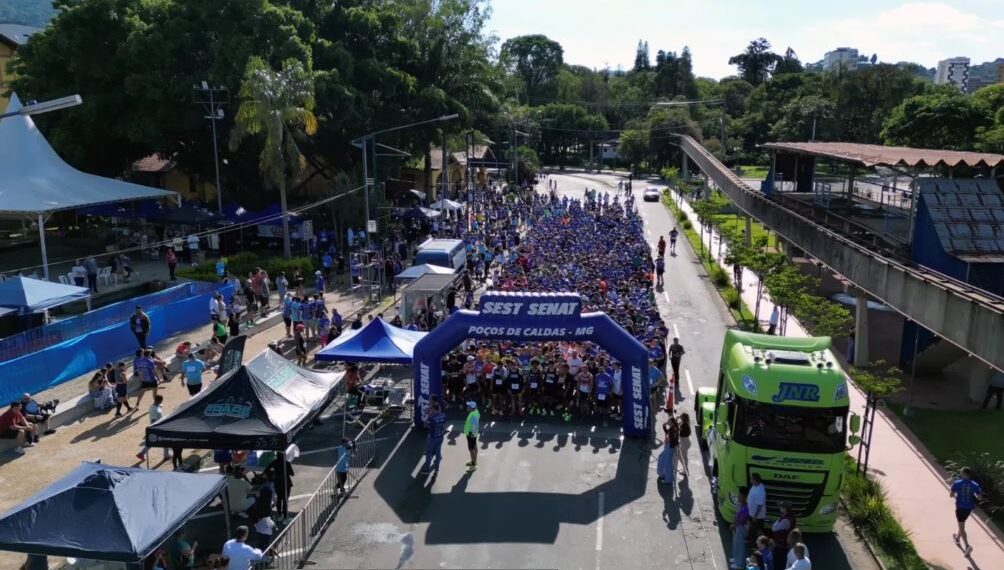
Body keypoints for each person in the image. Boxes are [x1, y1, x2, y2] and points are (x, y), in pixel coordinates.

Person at [950, 466, 982, 554]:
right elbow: (979, 498)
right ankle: (957, 538)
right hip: (968, 509)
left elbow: (951, 494)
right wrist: (973, 495)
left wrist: (957, 497)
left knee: (962, 527)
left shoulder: (957, 483)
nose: (960, 474)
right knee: (962, 523)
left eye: (961, 473)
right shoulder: (975, 485)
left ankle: (967, 546)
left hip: (960, 508)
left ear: (964, 474)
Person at [136, 394, 169, 462]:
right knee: (165, 440)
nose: (161, 403)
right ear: (158, 401)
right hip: (157, 428)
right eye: (161, 401)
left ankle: (141, 453)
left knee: (153, 442)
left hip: (158, 427)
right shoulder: (155, 409)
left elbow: (158, 407)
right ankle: (166, 455)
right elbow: (153, 421)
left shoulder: (154, 405)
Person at [264, 453, 294, 521]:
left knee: (279, 499)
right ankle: (285, 516)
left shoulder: (275, 462)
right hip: (286, 483)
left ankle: (279, 515)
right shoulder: (286, 463)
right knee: (285, 500)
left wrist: (273, 475)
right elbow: (292, 473)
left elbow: (266, 470)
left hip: (277, 483)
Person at [420, 398, 447, 474]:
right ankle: (437, 468)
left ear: (433, 409)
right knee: (438, 452)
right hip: (440, 437)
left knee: (428, 453)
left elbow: (425, 426)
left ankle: (426, 469)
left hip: (432, 437)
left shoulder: (431, 418)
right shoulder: (444, 415)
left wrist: (427, 418)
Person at [771, 502, 797, 569]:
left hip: (781, 545)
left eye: (781, 507)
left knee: (778, 563)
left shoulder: (785, 520)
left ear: (785, 509)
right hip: (785, 544)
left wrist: (780, 518)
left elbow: (774, 528)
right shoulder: (791, 516)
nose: (780, 508)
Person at [731, 487, 751, 570]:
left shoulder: (745, 507)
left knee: (740, 546)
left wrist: (734, 525)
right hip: (737, 527)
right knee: (736, 543)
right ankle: (735, 559)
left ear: (744, 497)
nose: (738, 497)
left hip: (741, 528)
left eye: (740, 495)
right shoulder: (741, 505)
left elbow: (742, 520)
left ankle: (740, 564)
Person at [657, 416, 678, 485]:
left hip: (670, 448)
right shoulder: (673, 428)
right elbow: (666, 431)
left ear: (671, 422)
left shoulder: (673, 429)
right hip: (669, 447)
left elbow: (673, 438)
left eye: (668, 421)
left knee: (667, 464)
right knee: (662, 458)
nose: (667, 421)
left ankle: (668, 480)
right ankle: (662, 474)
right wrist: (664, 424)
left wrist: (667, 440)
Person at [748, 473, 768, 541]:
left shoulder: (759, 491)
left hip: (758, 516)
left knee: (759, 530)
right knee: (753, 528)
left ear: (754, 480)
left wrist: (755, 516)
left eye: (751, 478)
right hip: (752, 514)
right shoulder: (756, 486)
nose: (750, 479)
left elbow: (759, 505)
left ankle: (762, 543)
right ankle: (752, 540)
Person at [463, 401, 480, 472]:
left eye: (468, 406)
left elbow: (474, 425)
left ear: (472, 408)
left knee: (471, 449)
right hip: (473, 433)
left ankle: (473, 465)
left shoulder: (473, 415)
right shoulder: (476, 412)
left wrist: (471, 435)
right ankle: (474, 461)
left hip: (471, 434)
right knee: (474, 447)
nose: (467, 407)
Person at [676, 412, 692, 478]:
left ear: (683, 418)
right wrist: (678, 418)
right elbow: (679, 425)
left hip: (684, 442)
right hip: (686, 441)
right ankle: (685, 469)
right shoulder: (685, 423)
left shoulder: (684, 425)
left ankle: (685, 471)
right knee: (684, 456)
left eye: (681, 416)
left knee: (681, 456)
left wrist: (677, 419)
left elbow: (678, 428)